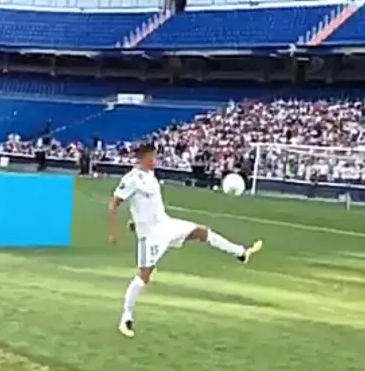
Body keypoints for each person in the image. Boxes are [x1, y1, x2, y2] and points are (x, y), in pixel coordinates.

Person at [107, 143, 263, 338]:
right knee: (144, 277)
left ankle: (241, 253)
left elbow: (146, 206)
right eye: (153, 157)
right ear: (145, 157)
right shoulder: (131, 179)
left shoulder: (150, 175)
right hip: (152, 236)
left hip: (166, 225)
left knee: (202, 232)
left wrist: (135, 222)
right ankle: (126, 319)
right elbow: (113, 204)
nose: (156, 160)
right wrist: (114, 232)